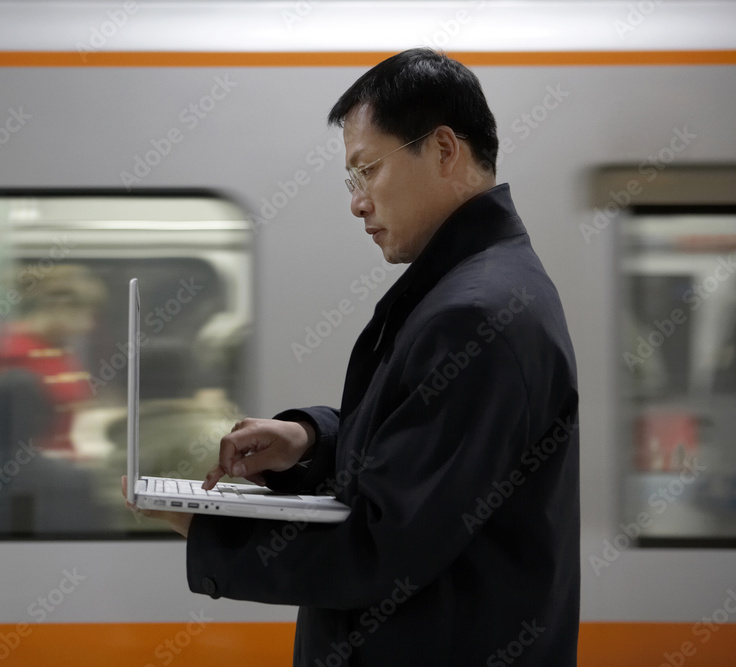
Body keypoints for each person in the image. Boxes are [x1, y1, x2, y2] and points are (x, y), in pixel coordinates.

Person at [127, 48, 580, 665]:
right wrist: (309, 439)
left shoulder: (475, 317)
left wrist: (210, 530)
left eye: (366, 171)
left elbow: (386, 546)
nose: (357, 202)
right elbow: (417, 450)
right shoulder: (477, 290)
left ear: (444, 150)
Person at [0, 264, 105, 454]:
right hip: (28, 467)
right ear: (58, 308)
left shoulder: (59, 350)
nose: (89, 326)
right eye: (84, 315)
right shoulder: (15, 353)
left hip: (59, 461)